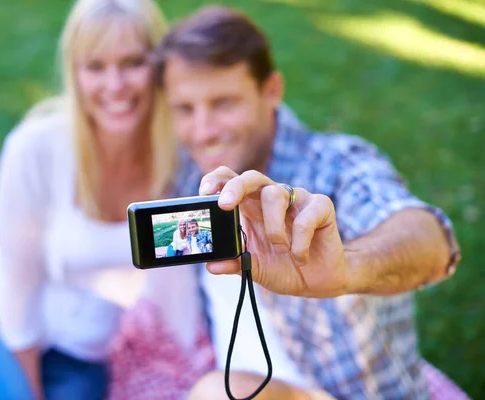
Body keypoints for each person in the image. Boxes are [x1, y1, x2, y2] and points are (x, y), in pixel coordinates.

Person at [155, 5, 461, 399]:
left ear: (271, 91)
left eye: (224, 103)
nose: (203, 131)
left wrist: (347, 268)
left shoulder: (335, 166)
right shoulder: (191, 170)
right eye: (184, 109)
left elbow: (428, 239)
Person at [0, 0, 196, 399]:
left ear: (160, 66)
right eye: (95, 67)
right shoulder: (37, 148)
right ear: (74, 71)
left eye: (133, 62)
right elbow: (19, 291)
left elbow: (183, 271)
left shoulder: (178, 160)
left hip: (80, 357)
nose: (115, 85)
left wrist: (199, 365)